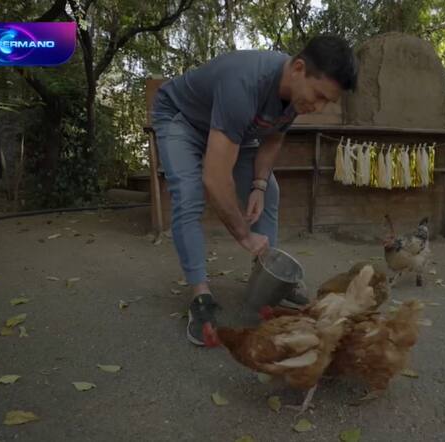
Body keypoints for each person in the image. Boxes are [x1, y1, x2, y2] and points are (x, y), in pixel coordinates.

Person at [151, 35, 358, 346]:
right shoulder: (245, 83)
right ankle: (200, 297)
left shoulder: (296, 96)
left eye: (327, 101)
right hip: (182, 119)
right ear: (298, 68)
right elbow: (215, 178)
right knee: (190, 194)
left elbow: (273, 138)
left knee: (271, 190)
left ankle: (268, 283)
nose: (318, 107)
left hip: (230, 128)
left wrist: (259, 185)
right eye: (318, 96)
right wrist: (244, 235)